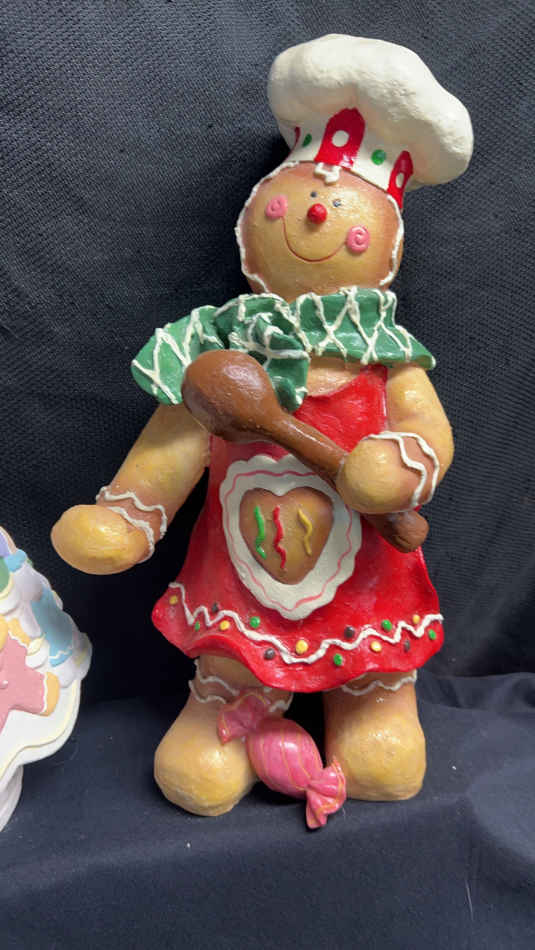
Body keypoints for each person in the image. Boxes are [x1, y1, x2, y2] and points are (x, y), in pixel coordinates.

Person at [52, 35, 473, 816]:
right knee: (204, 751)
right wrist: (128, 516)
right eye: (290, 201)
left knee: (381, 747)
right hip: (238, 590)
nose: (314, 212)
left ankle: (371, 702)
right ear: (254, 213)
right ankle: (231, 702)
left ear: (386, 238)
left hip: (365, 588)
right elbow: (175, 441)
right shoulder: (217, 356)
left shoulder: (387, 360)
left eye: (344, 215)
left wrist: (399, 461)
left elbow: (429, 430)